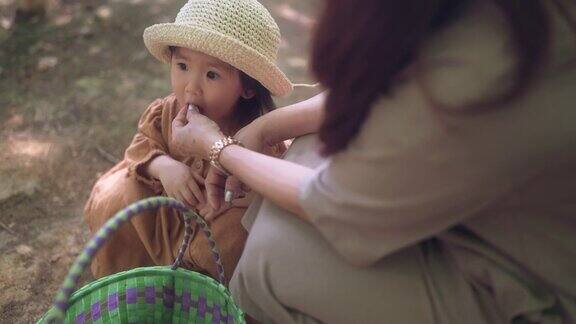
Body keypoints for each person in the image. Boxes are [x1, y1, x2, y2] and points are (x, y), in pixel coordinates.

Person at [170, 0, 576, 322]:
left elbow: (334, 204)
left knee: (266, 264)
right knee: (304, 158)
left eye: (212, 74)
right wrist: (267, 127)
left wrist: (221, 149)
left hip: (535, 288)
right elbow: (379, 91)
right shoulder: (490, 20)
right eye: (182, 66)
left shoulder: (479, 70)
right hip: (494, 222)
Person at [83, 0, 291, 282]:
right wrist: (165, 167)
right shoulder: (167, 112)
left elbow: (272, 186)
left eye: (212, 74)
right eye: (182, 65)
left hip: (213, 229)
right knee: (118, 194)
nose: (191, 86)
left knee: (233, 241)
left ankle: (202, 297)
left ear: (248, 89)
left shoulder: (257, 136)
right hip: (162, 219)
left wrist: (237, 201)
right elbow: (142, 146)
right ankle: (129, 280)